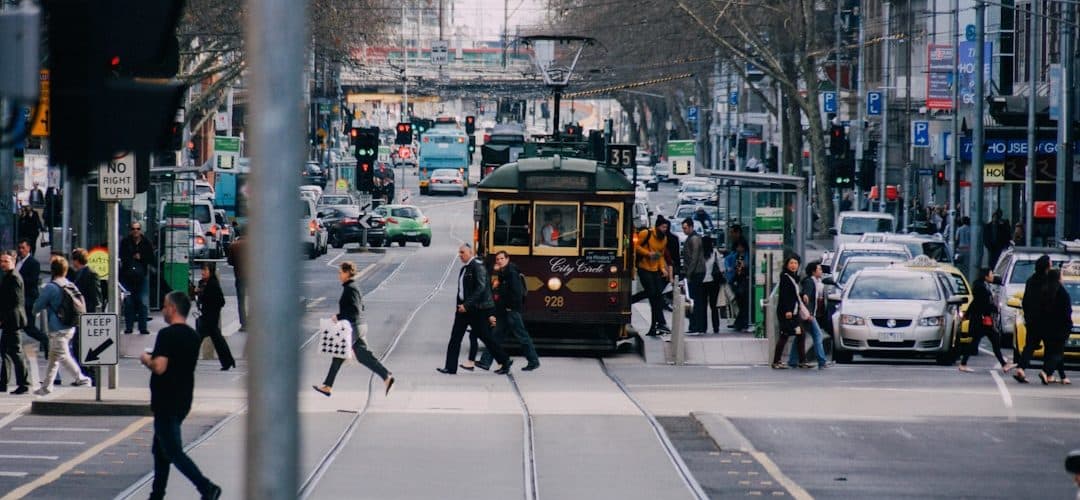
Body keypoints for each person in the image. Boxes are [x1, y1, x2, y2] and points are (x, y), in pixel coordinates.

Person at [141, 291, 222, 500]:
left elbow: (160, 367)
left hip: (165, 401)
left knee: (173, 451)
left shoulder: (167, 335)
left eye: (165, 306)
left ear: (173, 309)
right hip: (183, 398)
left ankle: (206, 487)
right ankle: (156, 495)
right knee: (160, 451)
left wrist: (146, 359)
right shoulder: (192, 336)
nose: (162, 310)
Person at [313, 261, 395, 395]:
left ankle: (327, 386)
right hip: (359, 326)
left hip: (354, 327)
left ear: (347, 273)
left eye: (340, 273)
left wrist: (338, 317)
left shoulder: (350, 288)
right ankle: (386, 377)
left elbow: (355, 310)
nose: (339, 275)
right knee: (363, 356)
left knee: (338, 355)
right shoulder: (352, 286)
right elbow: (361, 306)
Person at [438, 244, 513, 375]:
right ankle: (450, 367)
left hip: (476, 309)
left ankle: (505, 361)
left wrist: (467, 305)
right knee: (455, 337)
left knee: (485, 337)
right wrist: (461, 306)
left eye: (462, 252)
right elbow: (462, 290)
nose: (460, 255)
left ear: (471, 252)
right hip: (463, 309)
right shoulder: (465, 269)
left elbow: (481, 288)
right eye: (459, 252)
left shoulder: (477, 267)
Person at [31, 256, 91, 395]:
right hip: (70, 326)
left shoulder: (51, 287)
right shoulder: (70, 284)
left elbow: (37, 307)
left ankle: (81, 378)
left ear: (52, 270)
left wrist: (39, 308)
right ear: (65, 270)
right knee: (54, 358)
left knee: (63, 356)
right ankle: (46, 387)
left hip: (57, 328)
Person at [478, 251, 540, 371]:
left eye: (502, 258)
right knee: (496, 336)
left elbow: (517, 293)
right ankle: (486, 362)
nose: (499, 261)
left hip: (511, 311)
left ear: (507, 259)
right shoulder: (504, 272)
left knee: (522, 336)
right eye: (497, 259)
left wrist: (510, 307)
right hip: (504, 310)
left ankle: (533, 361)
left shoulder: (511, 273)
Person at [958, 268, 1014, 373]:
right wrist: (993, 308)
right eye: (991, 274)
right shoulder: (980, 287)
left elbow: (975, 303)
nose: (992, 275)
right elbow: (981, 304)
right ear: (986, 276)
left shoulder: (982, 285)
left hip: (982, 319)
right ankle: (1004, 364)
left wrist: (967, 314)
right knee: (986, 341)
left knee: (987, 341)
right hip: (982, 320)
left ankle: (1004, 364)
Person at [1014, 255, 1052, 383]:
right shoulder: (1048, 280)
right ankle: (1046, 372)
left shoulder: (1031, 280)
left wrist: (1028, 316)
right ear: (1047, 266)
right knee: (1049, 346)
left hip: (1032, 320)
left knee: (1029, 346)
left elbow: (1025, 300)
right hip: (1046, 320)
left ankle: (1021, 368)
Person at [195, 263, 235, 371]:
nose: (203, 272)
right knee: (217, 340)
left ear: (211, 271)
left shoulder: (213, 284)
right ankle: (228, 361)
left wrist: (207, 301)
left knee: (198, 339)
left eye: (205, 270)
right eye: (202, 270)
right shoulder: (202, 283)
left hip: (210, 317)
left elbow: (221, 301)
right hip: (205, 317)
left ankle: (188, 360)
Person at [1035, 269, 1072, 385]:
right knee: (1058, 353)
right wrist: (1068, 325)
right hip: (1060, 328)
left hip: (1046, 327)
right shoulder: (1062, 293)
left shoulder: (1044, 290)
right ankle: (1046, 371)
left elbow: (1040, 310)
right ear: (1058, 278)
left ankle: (1060, 376)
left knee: (1050, 351)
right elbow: (1067, 312)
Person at [635, 216, 671, 336]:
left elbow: (660, 255)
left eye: (666, 227)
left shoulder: (664, 239)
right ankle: (659, 323)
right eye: (663, 227)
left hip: (655, 269)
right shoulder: (646, 233)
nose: (665, 229)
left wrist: (662, 269)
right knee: (652, 295)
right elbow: (636, 246)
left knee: (657, 296)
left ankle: (657, 324)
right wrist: (648, 254)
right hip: (644, 268)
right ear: (657, 226)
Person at [0, 251, 30, 395]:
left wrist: (3, 318)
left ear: (13, 261)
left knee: (16, 353)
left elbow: (14, 302)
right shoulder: (8, 277)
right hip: (9, 321)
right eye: (1, 261)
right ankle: (3, 383)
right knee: (5, 352)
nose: (3, 264)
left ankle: (24, 383)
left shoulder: (14, 277)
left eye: (6, 261)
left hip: (13, 320)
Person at [71, 248, 102, 382]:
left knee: (85, 346)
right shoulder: (77, 273)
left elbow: (96, 298)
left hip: (87, 315)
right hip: (80, 316)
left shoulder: (91, 274)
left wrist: (91, 315)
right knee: (78, 346)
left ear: (76, 261)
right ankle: (84, 375)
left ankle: (90, 376)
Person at [120, 220, 155, 335]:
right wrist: (131, 257)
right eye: (133, 229)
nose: (135, 231)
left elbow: (151, 258)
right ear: (130, 230)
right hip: (128, 276)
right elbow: (122, 256)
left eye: (138, 229)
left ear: (141, 230)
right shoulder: (125, 242)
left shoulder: (146, 242)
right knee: (129, 302)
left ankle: (142, 327)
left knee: (143, 302)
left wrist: (141, 257)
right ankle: (129, 327)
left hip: (142, 276)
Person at [15, 239, 48, 354]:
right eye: (19, 248)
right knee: (15, 326)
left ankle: (45, 340)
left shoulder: (33, 263)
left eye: (23, 248)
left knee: (29, 328)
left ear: (29, 248)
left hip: (28, 300)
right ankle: (15, 347)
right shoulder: (17, 262)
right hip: (18, 300)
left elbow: (32, 281)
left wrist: (18, 280)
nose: (21, 250)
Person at [772, 254, 804, 369]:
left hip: (793, 312)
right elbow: (785, 296)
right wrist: (788, 310)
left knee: (800, 334)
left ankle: (801, 360)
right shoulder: (785, 277)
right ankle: (776, 361)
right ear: (786, 265)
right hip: (787, 312)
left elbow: (795, 294)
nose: (793, 265)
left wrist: (803, 295)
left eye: (795, 263)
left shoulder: (794, 277)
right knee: (784, 335)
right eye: (791, 263)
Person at [798, 261, 829, 369]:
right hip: (808, 315)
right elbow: (806, 298)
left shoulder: (815, 282)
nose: (821, 271)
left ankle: (793, 360)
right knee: (818, 335)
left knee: (800, 336)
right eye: (819, 269)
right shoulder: (810, 282)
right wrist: (810, 314)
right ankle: (822, 361)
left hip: (809, 314)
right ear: (813, 271)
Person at [681, 218, 707, 334]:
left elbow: (694, 258)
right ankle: (695, 325)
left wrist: (688, 274)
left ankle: (697, 326)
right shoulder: (691, 238)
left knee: (695, 300)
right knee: (695, 299)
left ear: (691, 227)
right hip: (695, 272)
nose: (684, 230)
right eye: (683, 228)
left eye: (685, 228)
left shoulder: (695, 239)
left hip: (696, 273)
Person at [724, 239, 750, 331]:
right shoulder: (736, 256)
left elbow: (747, 267)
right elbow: (727, 261)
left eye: (740, 246)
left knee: (744, 304)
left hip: (745, 281)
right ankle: (740, 322)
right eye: (738, 247)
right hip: (737, 281)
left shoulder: (747, 256)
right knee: (740, 303)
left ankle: (741, 322)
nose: (738, 248)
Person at [701, 237, 724, 334]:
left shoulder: (700, 253)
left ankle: (703, 327)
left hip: (702, 281)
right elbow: (722, 267)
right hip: (713, 282)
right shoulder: (715, 253)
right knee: (714, 306)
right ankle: (716, 327)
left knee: (703, 305)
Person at [225, 232, 247, 331]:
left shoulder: (234, 246)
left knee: (241, 301)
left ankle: (244, 324)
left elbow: (230, 262)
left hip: (240, 276)